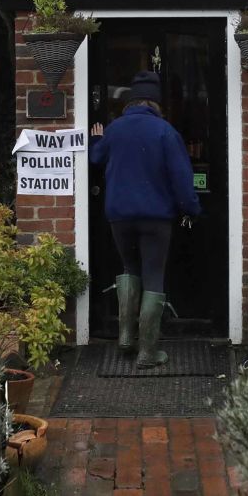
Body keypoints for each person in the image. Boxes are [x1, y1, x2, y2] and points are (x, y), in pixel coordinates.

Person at [89, 71, 201, 368]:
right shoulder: (165, 132)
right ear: (156, 103)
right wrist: (191, 208)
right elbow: (181, 179)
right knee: (154, 275)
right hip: (156, 218)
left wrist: (96, 139)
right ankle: (148, 352)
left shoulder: (114, 129)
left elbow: (96, 159)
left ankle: (125, 337)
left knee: (129, 268)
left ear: (130, 101)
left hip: (119, 215)